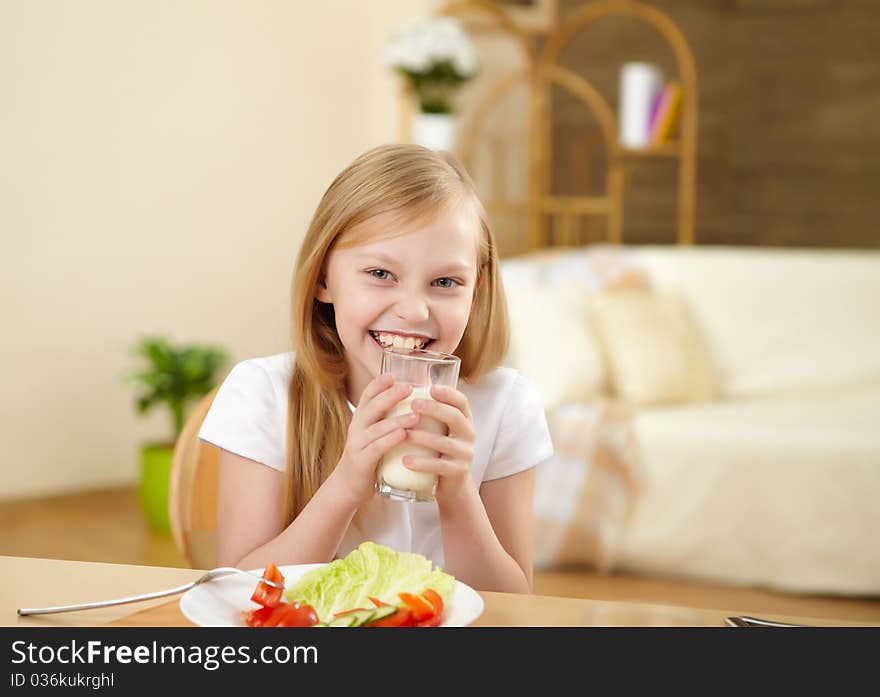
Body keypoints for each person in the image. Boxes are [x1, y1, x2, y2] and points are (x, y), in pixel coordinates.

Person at [199, 144, 553, 593]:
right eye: (381, 274)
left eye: (445, 282)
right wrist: (346, 485)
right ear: (323, 278)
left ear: (476, 290)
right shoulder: (264, 395)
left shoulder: (506, 405)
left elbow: (512, 609)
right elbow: (240, 590)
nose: (412, 310)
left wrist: (458, 492)